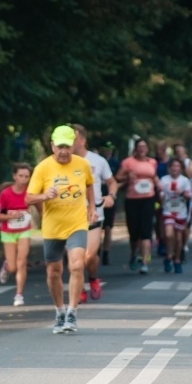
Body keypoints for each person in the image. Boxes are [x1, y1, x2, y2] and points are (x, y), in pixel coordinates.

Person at [26, 125, 97, 334]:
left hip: (76, 224)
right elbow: (29, 198)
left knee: (76, 265)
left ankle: (72, 313)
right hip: (53, 226)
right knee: (54, 271)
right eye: (59, 147)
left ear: (74, 145)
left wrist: (91, 206)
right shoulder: (43, 168)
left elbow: (89, 184)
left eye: (67, 146)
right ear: (52, 146)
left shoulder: (82, 165)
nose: (64, 151)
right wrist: (44, 196)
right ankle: (59, 311)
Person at [72, 124, 116, 301]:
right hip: (71, 215)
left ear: (82, 140)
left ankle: (92, 277)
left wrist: (111, 196)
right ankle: (80, 287)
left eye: (73, 139)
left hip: (94, 213)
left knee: (90, 256)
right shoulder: (60, 162)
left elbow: (112, 182)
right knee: (77, 257)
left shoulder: (98, 161)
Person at [115, 139, 159, 274]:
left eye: (144, 147)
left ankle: (144, 262)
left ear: (147, 149)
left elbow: (154, 177)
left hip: (148, 199)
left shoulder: (152, 162)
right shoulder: (128, 162)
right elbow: (117, 177)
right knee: (134, 232)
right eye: (139, 147)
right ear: (135, 149)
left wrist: (159, 186)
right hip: (132, 200)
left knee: (146, 231)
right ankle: (133, 254)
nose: (141, 149)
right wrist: (128, 175)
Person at [0, 162, 33, 306]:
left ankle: (19, 295)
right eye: (21, 176)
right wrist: (11, 216)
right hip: (8, 232)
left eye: (27, 176)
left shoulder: (30, 192)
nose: (24, 179)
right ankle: (6, 266)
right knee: (13, 268)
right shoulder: (5, 194)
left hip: (24, 230)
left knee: (22, 262)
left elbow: (38, 205)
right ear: (14, 176)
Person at [159, 158, 192, 274]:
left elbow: (190, 196)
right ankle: (169, 256)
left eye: (177, 166)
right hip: (168, 210)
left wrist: (182, 192)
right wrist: (162, 196)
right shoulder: (164, 180)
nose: (175, 168)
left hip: (180, 211)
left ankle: (177, 260)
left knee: (179, 239)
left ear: (181, 168)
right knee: (168, 235)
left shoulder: (184, 181)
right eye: (173, 166)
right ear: (169, 168)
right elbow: (160, 195)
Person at [99, 142, 121, 265]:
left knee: (108, 227)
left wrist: (114, 192)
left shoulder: (115, 164)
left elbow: (118, 180)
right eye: (105, 149)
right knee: (95, 226)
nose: (108, 151)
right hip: (96, 196)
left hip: (109, 197)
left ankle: (106, 252)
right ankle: (95, 250)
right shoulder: (95, 161)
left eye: (110, 149)